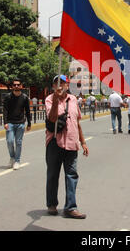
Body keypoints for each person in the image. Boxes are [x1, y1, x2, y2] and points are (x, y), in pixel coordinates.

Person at [45, 74, 89, 219]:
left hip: (71, 143)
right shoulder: (49, 99)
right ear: (53, 86)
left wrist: (83, 142)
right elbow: (52, 118)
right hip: (54, 142)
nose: (60, 85)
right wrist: (57, 100)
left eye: (63, 83)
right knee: (53, 175)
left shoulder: (74, 99)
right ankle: (52, 204)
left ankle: (70, 207)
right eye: (57, 83)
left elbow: (77, 123)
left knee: (71, 175)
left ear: (67, 85)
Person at [2, 78, 32, 170]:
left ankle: (17, 161)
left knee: (18, 143)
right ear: (12, 86)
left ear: (21, 86)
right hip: (10, 123)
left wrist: (29, 123)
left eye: (18, 84)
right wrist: (5, 122)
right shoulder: (8, 97)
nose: (16, 86)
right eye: (14, 85)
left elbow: (27, 111)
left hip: (20, 123)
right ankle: (12, 157)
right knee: (10, 141)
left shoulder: (24, 97)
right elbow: (5, 110)